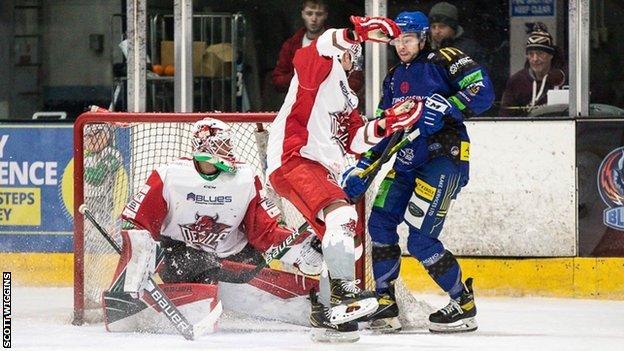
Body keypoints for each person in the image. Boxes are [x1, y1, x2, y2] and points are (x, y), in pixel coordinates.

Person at [266, 15, 421, 342]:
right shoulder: (318, 70)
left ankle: (330, 315)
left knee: (341, 241)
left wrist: (386, 124)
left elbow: (354, 140)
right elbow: (319, 46)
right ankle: (342, 296)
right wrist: (354, 33)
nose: (354, 57)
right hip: (295, 158)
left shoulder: (347, 98)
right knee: (343, 214)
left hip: (316, 168)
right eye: (351, 50)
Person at [344, 11, 494, 333]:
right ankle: (385, 302)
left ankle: (462, 303)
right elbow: (386, 130)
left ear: (423, 37)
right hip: (407, 161)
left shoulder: (446, 59)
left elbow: (483, 92)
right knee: (380, 222)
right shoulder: (394, 77)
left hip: (444, 159)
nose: (401, 45)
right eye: (397, 39)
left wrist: (449, 106)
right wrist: (363, 167)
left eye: (408, 39)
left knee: (421, 241)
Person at [102, 118, 323, 334]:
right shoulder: (169, 175)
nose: (228, 151)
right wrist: (133, 274)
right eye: (222, 145)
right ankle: (203, 293)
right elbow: (137, 225)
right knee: (201, 262)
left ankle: (226, 290)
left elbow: (263, 231)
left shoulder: (246, 178)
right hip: (180, 254)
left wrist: (299, 247)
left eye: (228, 145)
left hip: (232, 255)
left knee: (249, 267)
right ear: (203, 145)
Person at [271, 0, 363, 94]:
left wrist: (335, 79)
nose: (314, 19)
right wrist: (298, 74)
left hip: (333, 104)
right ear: (302, 14)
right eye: (309, 13)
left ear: (326, 15)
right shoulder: (290, 45)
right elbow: (277, 81)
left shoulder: (342, 42)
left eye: (319, 14)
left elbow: (356, 81)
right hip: (301, 102)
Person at [500, 23, 566, 117]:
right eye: (531, 54)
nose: (535, 59)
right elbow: (504, 117)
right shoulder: (516, 81)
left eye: (540, 53)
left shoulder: (563, 79)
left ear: (551, 55)